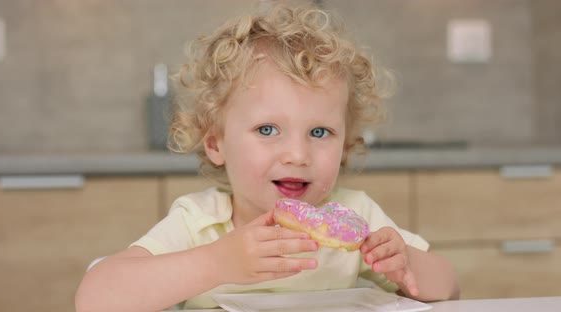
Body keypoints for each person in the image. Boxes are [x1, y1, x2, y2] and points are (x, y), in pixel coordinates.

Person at [75, 4, 459, 311]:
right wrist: (215, 263)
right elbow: (95, 299)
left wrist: (405, 262)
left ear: (345, 145)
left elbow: (450, 289)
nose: (297, 154)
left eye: (320, 132)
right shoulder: (200, 225)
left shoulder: (357, 218)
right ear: (216, 144)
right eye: (267, 130)